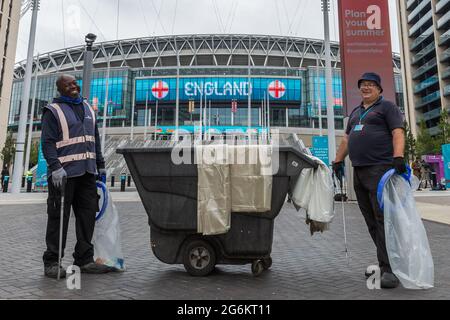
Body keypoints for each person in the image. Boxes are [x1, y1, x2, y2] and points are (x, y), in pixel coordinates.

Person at [332, 72, 406, 289]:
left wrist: (398, 156)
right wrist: (337, 161)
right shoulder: (355, 113)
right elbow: (346, 139)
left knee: (383, 219)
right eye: (362, 85)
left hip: (380, 170)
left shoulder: (387, 108)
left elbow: (398, 132)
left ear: (379, 89)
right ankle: (385, 264)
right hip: (359, 171)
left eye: (370, 85)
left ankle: (391, 269)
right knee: (371, 221)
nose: (366, 88)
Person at [41, 74, 111, 278]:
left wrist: (101, 164)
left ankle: (84, 259)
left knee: (87, 216)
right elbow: (47, 141)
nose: (73, 86)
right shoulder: (52, 111)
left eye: (74, 83)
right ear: (60, 88)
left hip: (87, 172)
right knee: (58, 218)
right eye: (68, 84)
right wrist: (55, 167)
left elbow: (95, 138)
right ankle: (52, 262)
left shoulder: (88, 108)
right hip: (63, 175)